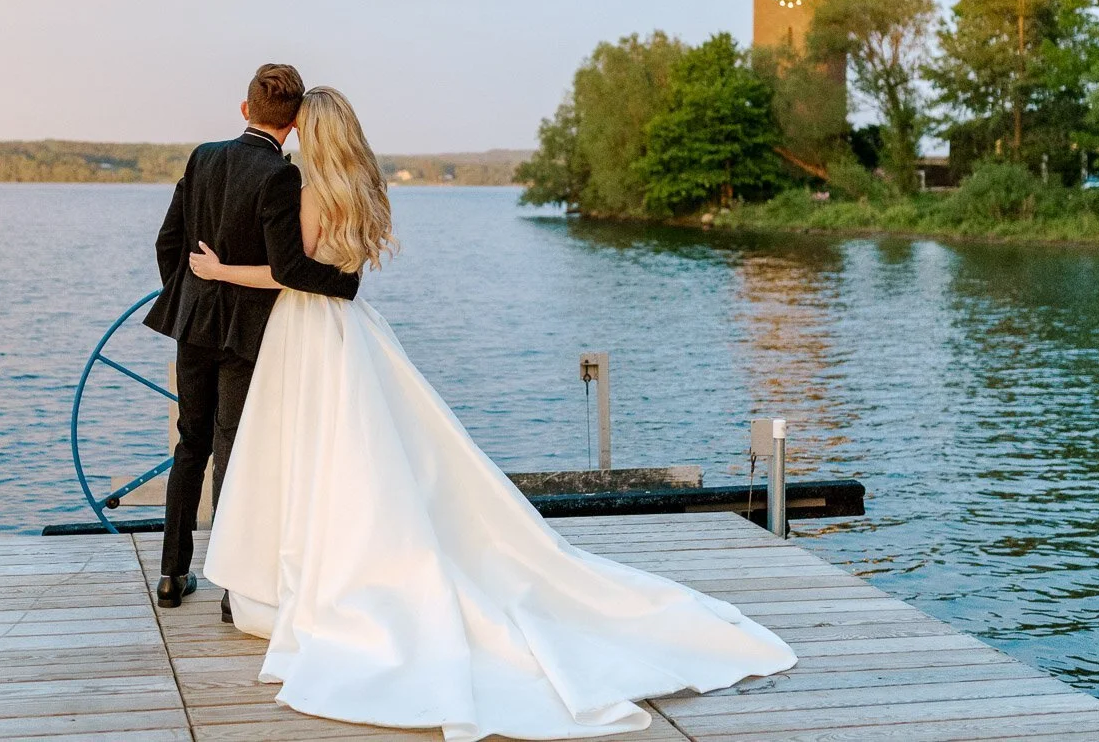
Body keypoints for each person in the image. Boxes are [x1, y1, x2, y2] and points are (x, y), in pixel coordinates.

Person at [189, 87, 798, 742]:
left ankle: (313, 575)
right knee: (358, 452)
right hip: (353, 331)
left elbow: (290, 274)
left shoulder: (303, 189)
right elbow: (345, 277)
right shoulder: (362, 187)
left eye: (304, 129)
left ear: (315, 133)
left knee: (309, 451)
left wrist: (222, 270)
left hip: (306, 332)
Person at [142, 63, 360, 612]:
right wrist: (344, 283)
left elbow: (168, 242)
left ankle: (171, 575)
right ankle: (230, 588)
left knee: (189, 444)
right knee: (232, 449)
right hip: (246, 332)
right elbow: (288, 267)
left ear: (246, 109)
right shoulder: (280, 176)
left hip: (192, 326)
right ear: (293, 124)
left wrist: (186, 296)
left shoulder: (203, 156)